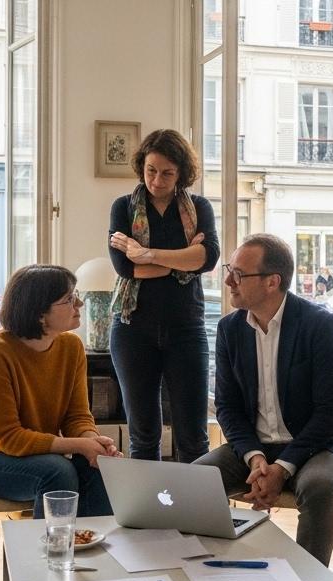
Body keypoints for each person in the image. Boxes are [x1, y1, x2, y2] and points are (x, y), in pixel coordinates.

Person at [192, 234, 333, 567]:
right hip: (255, 446)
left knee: (318, 487)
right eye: (230, 271)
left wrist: (282, 469)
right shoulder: (230, 329)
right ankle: (213, 574)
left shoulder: (318, 325)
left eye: (238, 274)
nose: (228, 281)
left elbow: (330, 413)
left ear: (272, 282)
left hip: (319, 446)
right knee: (195, 481)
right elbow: (227, 406)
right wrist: (255, 458)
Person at [0, 264, 119, 518]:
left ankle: (91, 542)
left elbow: (77, 416)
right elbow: (10, 439)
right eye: (69, 299)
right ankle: (51, 544)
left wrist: (94, 444)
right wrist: (81, 445)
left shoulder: (72, 347)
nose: (79, 304)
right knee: (57, 471)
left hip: (32, 455)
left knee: (98, 466)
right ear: (39, 313)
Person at [107, 128, 220, 463]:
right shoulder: (123, 208)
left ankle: (193, 500)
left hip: (186, 328)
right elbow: (125, 268)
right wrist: (183, 259)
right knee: (143, 436)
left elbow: (208, 259)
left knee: (193, 437)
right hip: (132, 329)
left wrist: (147, 254)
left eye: (167, 173)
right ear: (141, 167)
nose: (157, 180)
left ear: (181, 173)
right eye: (151, 170)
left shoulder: (199, 207)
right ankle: (149, 501)